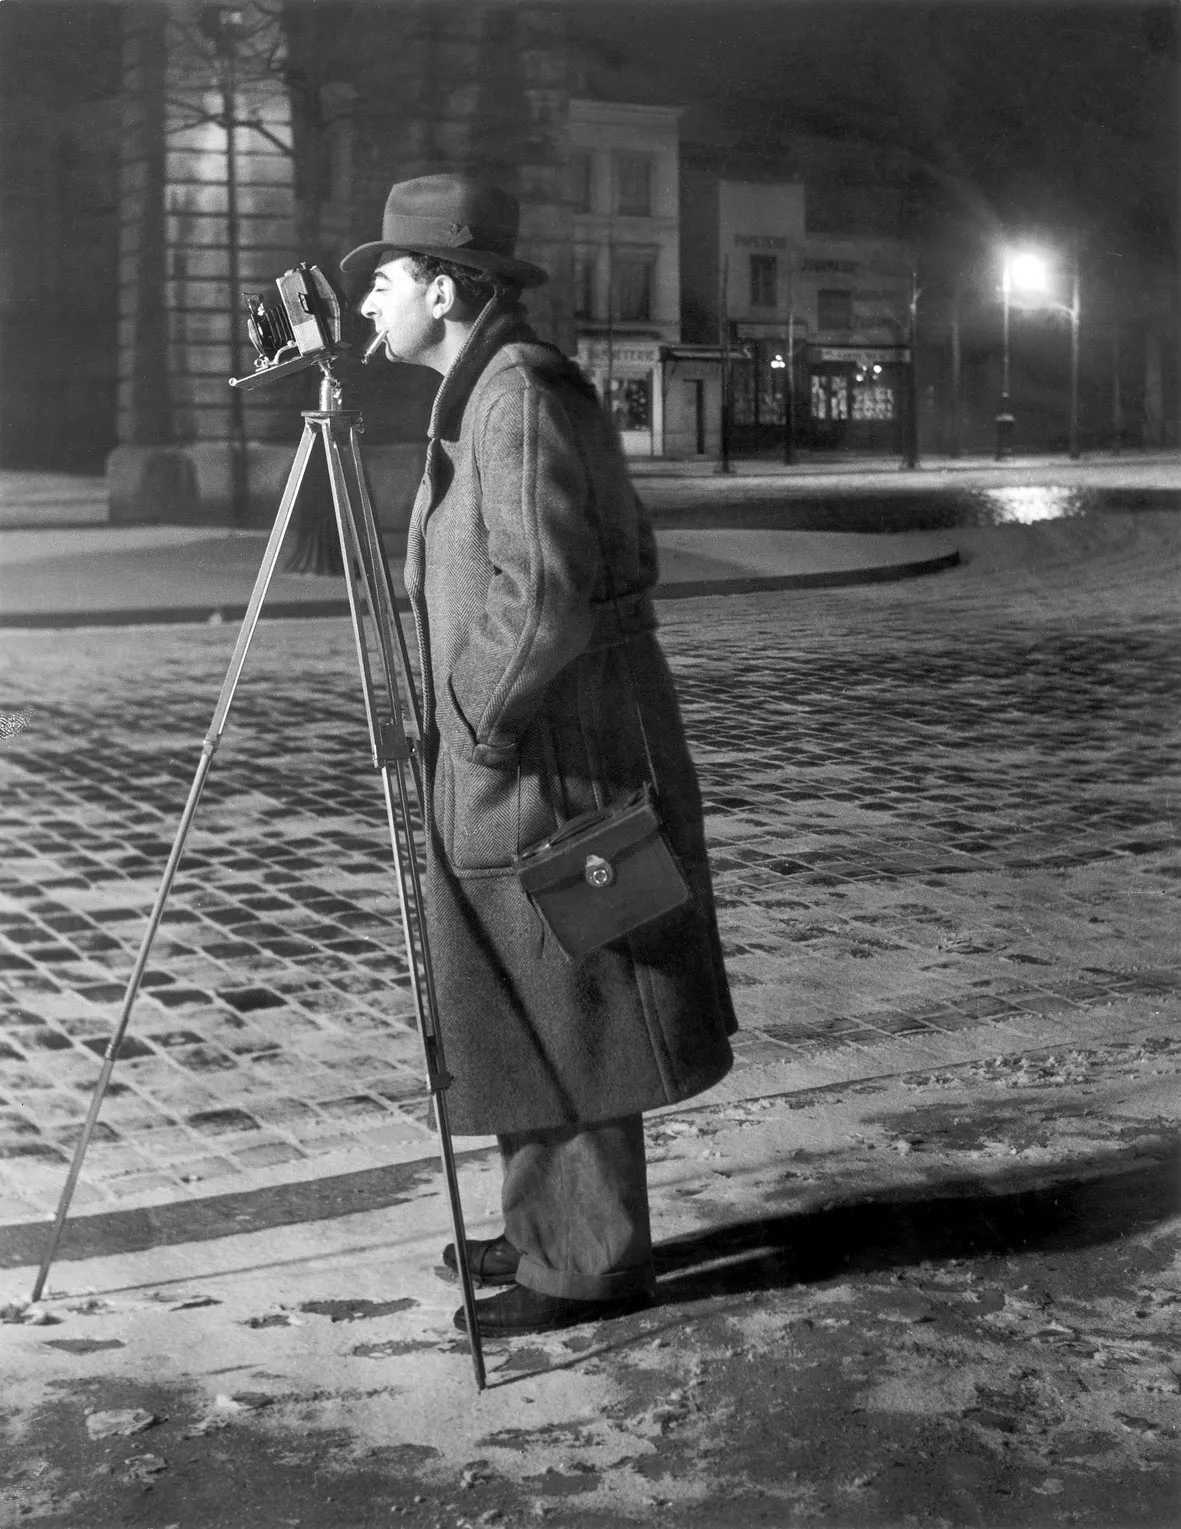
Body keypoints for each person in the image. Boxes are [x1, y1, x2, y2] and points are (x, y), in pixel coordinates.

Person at [341, 174, 737, 1338]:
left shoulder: (514, 395)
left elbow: (544, 593)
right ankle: (541, 1218)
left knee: (574, 1000)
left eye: (387, 272)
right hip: (520, 747)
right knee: (520, 992)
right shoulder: (479, 392)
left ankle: (585, 1257)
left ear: (446, 286)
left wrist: (475, 724)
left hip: (542, 755)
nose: (369, 291)